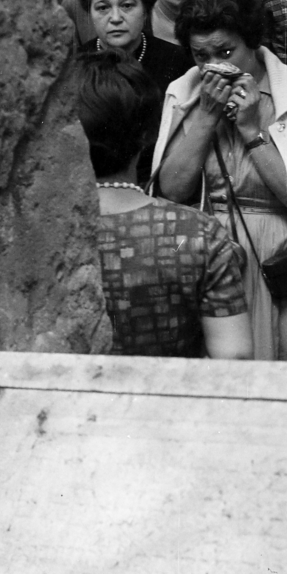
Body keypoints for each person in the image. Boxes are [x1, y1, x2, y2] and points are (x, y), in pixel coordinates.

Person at [153, 0, 287, 360]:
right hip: (210, 260)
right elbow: (172, 191)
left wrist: (251, 131)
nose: (213, 66)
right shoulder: (185, 93)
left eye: (225, 51)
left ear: (253, 41)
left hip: (280, 258)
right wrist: (207, 116)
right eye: (200, 55)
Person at [74, 52, 253, 360]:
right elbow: (234, 357)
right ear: (148, 134)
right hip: (169, 403)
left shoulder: (49, 235)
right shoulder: (198, 233)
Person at [76, 0, 192, 95]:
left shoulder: (177, 61)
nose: (116, 18)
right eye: (103, 8)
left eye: (126, 5)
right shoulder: (75, 66)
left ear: (145, 10)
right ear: (89, 13)